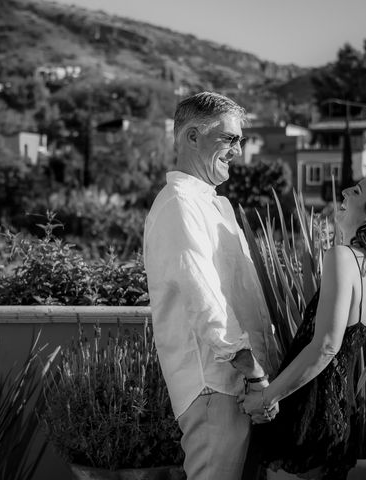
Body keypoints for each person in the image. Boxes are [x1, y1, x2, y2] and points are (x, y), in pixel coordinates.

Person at [240, 165, 366, 480]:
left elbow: (326, 346)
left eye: (356, 191)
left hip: (309, 414)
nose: (343, 192)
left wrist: (267, 397)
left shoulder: (343, 258)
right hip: (339, 414)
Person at [143, 91, 282, 480]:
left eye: (240, 139)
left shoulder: (212, 204)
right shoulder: (179, 205)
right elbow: (207, 303)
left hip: (238, 386)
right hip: (215, 387)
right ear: (191, 137)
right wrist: (253, 374)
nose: (238, 149)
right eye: (229, 138)